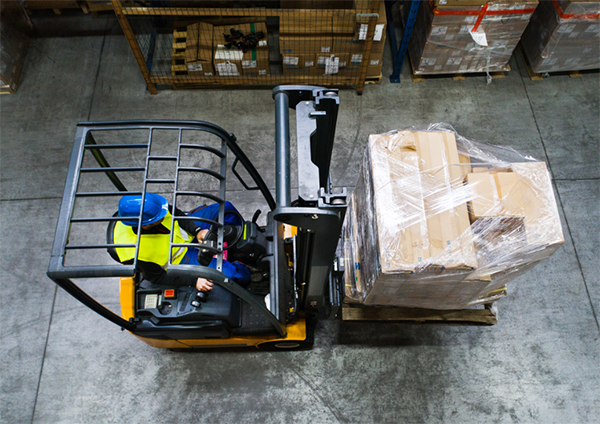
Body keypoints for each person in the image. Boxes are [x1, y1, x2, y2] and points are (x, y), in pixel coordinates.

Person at [112, 193, 250, 292]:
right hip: (180, 257)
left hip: (186, 231)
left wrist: (197, 231)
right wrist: (194, 281)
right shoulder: (132, 251)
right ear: (145, 224)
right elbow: (158, 278)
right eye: (159, 216)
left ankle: (242, 246)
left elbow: (177, 214)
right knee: (230, 275)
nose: (164, 214)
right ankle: (249, 271)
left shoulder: (154, 207)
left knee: (226, 208)